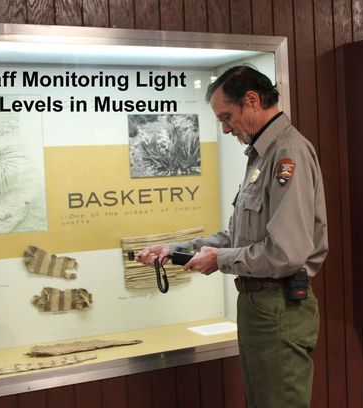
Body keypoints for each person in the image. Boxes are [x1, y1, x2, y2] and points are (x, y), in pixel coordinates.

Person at [135, 66, 328, 408]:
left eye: (227, 117)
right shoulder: (262, 155)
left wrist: (219, 259)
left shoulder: (288, 153)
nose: (225, 128)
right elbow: (239, 238)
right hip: (259, 305)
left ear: (252, 100)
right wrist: (176, 250)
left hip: (278, 305)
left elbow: (286, 253)